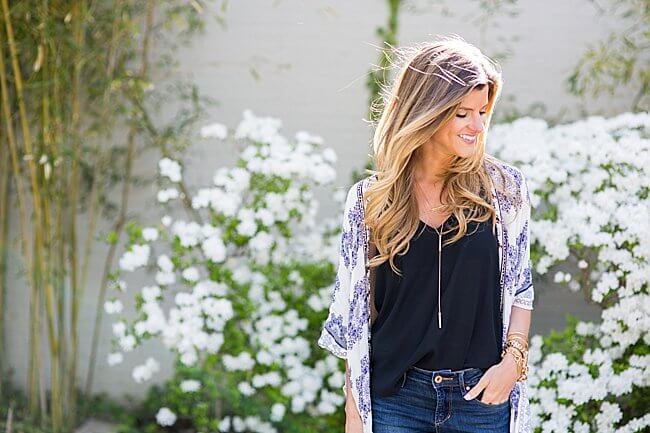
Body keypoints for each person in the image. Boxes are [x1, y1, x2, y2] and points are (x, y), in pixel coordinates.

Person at [318, 34, 535, 433]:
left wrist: (512, 363)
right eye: (462, 113)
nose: (477, 125)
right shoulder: (370, 201)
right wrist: (354, 411)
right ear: (429, 112)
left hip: (481, 400)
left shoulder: (504, 190)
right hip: (396, 401)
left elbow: (521, 288)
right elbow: (356, 318)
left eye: (482, 111)